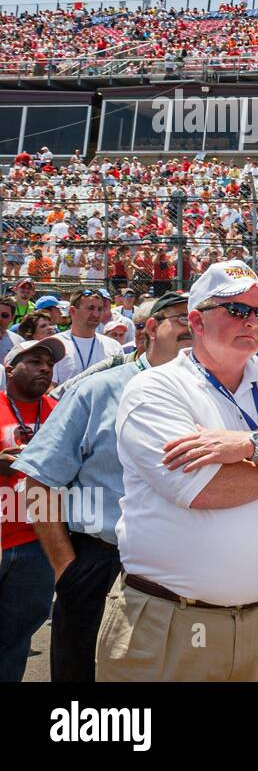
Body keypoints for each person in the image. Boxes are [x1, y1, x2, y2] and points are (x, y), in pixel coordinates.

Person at [97, 260, 258, 681]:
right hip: (171, 620)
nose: (252, 321)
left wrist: (252, 445)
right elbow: (206, 488)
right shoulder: (156, 388)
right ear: (196, 320)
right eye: (237, 310)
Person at [18, 291, 190, 682]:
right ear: (150, 328)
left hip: (186, 566)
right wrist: (66, 567)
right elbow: (39, 479)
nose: (190, 328)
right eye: (179, 318)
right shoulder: (99, 390)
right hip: (104, 564)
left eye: (197, 319)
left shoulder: (212, 394)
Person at [0, 337, 62, 681]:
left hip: (38, 545)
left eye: (49, 365)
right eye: (35, 362)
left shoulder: (60, 411)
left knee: (15, 640)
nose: (44, 369)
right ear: (10, 369)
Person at [51, 288, 123, 385]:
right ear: (72, 311)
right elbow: (50, 389)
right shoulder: (55, 344)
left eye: (100, 309)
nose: (96, 314)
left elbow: (119, 384)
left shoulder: (114, 347)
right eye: (90, 308)